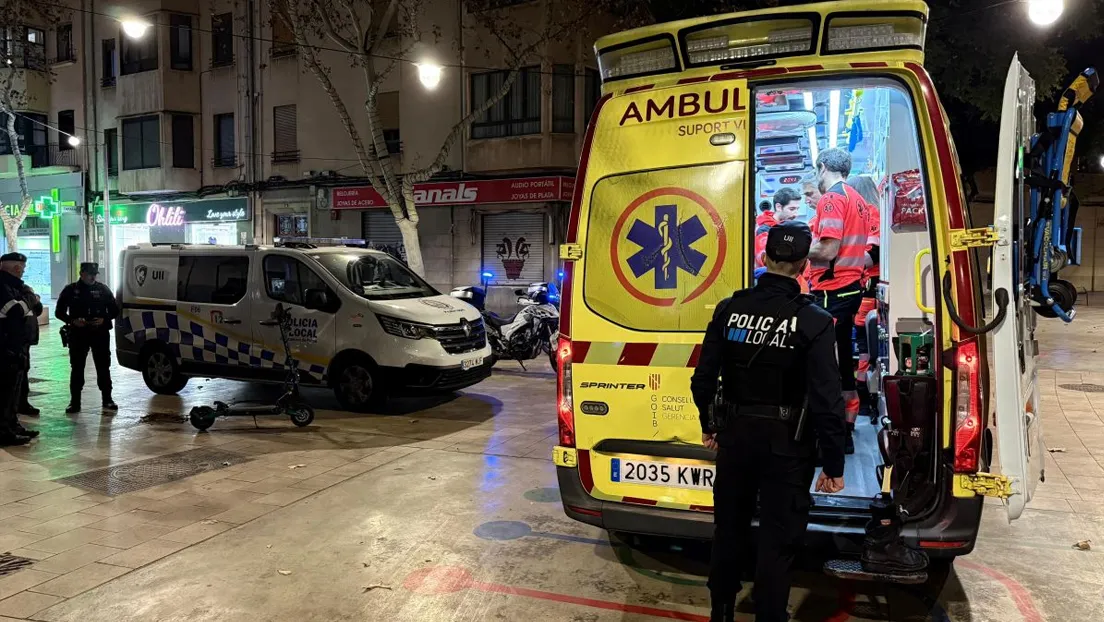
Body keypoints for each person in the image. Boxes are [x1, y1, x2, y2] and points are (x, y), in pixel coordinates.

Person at [692, 221, 847, 622]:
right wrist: (833, 464)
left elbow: (703, 378)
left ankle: (721, 611)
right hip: (788, 446)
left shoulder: (729, 309)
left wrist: (710, 425)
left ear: (764, 258)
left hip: (736, 439)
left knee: (728, 529)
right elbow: (828, 400)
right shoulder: (814, 321)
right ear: (803, 267)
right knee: (778, 540)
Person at [807, 148, 871, 454]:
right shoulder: (858, 200)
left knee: (826, 365)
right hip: (850, 289)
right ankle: (845, 429)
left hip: (833, 289)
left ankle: (829, 437)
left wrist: (793, 250)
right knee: (843, 362)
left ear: (822, 168)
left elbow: (828, 250)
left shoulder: (831, 198)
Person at [56, 263, 119, 414]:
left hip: (99, 333)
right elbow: (59, 312)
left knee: (103, 366)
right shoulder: (71, 290)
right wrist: (72, 321)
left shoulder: (102, 289)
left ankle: (107, 399)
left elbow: (115, 310)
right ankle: (75, 402)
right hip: (79, 334)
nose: (93, 277)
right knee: (77, 368)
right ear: (81, 273)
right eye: (90, 274)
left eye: (95, 274)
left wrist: (104, 319)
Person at [847, 175, 883, 422]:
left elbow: (873, 253)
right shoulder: (872, 214)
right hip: (867, 290)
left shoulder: (869, 215)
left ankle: (865, 400)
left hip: (869, 291)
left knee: (864, 346)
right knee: (865, 347)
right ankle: (865, 398)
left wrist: (839, 263)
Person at [0, 253, 39, 445]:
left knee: (14, 391)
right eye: (22, 267)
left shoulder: (16, 286)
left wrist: (29, 300)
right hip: (5, 348)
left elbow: (32, 309)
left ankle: (13, 426)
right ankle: (4, 432)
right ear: (16, 268)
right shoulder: (2, 286)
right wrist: (31, 298)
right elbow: (15, 311)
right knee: (5, 393)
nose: (24, 270)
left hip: (17, 346)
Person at [753, 187, 802, 269]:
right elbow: (766, 260)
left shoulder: (788, 227)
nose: (796, 214)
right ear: (779, 207)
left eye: (797, 209)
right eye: (792, 209)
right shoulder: (764, 230)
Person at [18, 282, 42, 416]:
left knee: (23, 372)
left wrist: (34, 299)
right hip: (12, 340)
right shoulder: (9, 289)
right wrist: (32, 297)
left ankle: (22, 403)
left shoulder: (23, 288)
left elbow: (37, 310)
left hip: (25, 340)